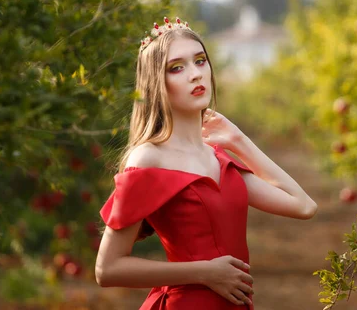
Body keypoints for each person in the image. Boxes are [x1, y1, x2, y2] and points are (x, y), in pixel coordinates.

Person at [95, 17, 318, 309]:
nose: (195, 74)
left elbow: (303, 206)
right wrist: (204, 272)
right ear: (156, 83)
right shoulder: (148, 157)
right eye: (177, 67)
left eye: (200, 61)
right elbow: (107, 269)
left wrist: (238, 140)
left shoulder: (218, 158)